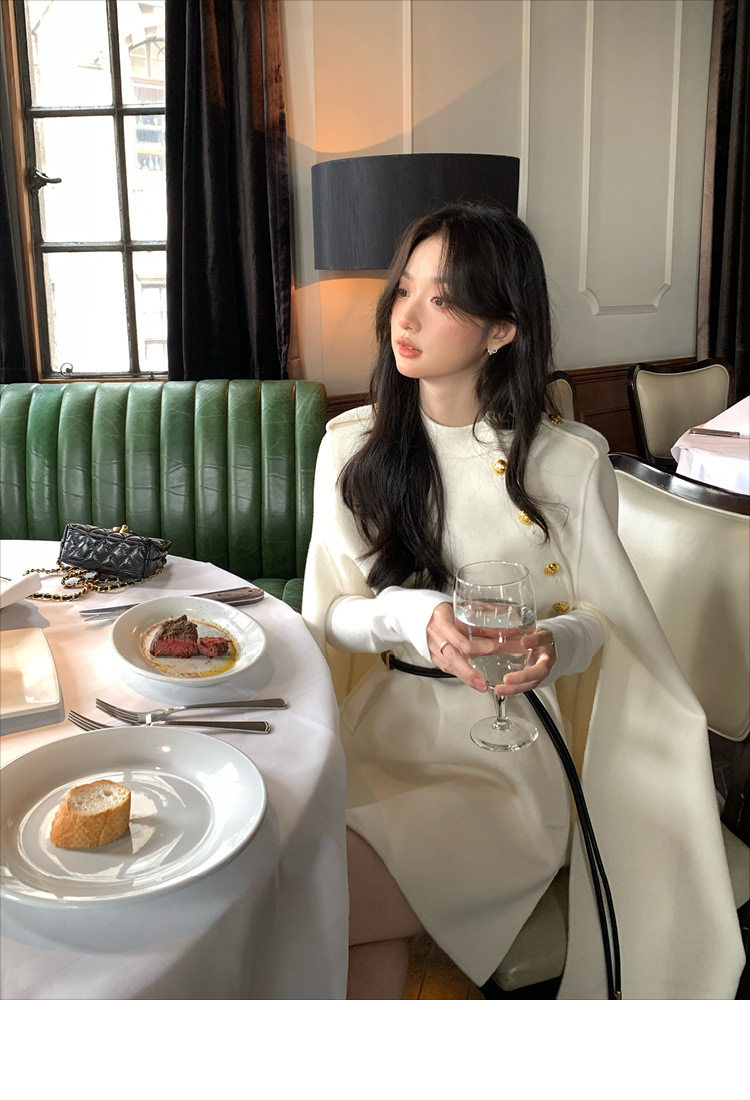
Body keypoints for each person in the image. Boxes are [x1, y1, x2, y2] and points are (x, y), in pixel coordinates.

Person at [302, 202, 743, 1000]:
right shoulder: (351, 449)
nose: (407, 317)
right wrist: (414, 615)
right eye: (405, 289)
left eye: (443, 299)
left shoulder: (568, 462)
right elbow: (331, 615)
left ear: (501, 329)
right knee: (334, 917)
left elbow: (604, 622)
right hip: (383, 733)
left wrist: (553, 644)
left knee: (313, 907)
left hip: (504, 759)